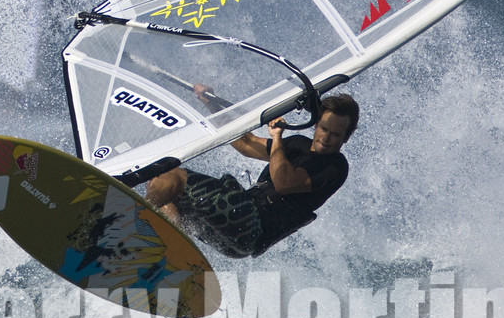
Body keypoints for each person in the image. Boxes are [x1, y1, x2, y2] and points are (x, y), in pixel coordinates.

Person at [145, 93, 359, 258]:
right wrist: (210, 104)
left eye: (336, 134)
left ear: (346, 137)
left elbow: (283, 182)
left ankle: (135, 222)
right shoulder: (297, 144)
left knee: (173, 177)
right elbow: (245, 143)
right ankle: (170, 251)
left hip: (251, 225)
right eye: (324, 128)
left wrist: (276, 137)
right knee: (163, 189)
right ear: (316, 124)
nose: (327, 137)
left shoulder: (336, 167)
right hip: (231, 237)